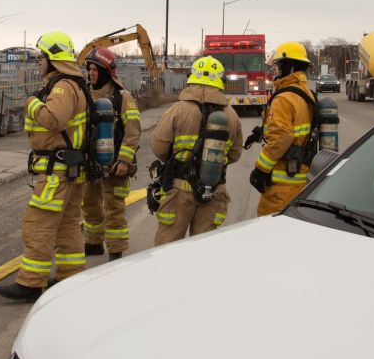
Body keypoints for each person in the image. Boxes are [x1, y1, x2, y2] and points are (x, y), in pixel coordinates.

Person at [0, 31, 91, 303]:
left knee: (39, 224)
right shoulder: (74, 84)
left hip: (56, 172)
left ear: (53, 59)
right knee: (67, 225)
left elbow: (53, 119)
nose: (39, 61)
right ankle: (70, 276)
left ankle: (30, 283)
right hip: (69, 168)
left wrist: (31, 103)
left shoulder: (62, 87)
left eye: (42, 57)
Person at [150, 55, 243, 246]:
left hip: (179, 192)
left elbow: (158, 147)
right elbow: (235, 154)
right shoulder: (231, 115)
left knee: (167, 248)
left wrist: (176, 162)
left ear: (192, 78)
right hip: (213, 190)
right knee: (204, 249)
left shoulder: (178, 109)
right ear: (220, 81)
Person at [81, 46, 141, 261]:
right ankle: (94, 242)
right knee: (89, 204)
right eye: (89, 69)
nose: (91, 74)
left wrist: (124, 160)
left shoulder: (123, 97)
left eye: (95, 70)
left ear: (106, 72)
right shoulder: (84, 95)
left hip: (115, 163)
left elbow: (133, 131)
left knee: (113, 208)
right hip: (90, 162)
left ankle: (116, 250)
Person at [250, 41, 315, 216]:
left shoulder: (284, 98)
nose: (276, 71)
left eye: (279, 66)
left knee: (271, 227)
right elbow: (295, 128)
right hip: (300, 178)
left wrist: (260, 169)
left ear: (290, 66)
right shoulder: (306, 93)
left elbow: (281, 138)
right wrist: (262, 131)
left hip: (282, 186)